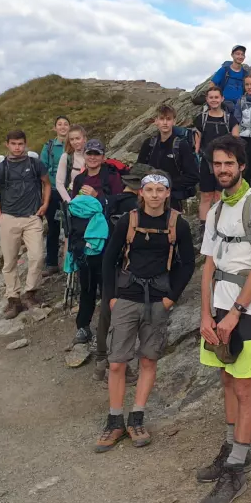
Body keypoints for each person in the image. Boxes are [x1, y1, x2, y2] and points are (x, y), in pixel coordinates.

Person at [197, 135, 251, 503]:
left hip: (249, 309)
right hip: (217, 308)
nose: (223, 170)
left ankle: (237, 466)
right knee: (227, 379)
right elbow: (208, 265)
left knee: (245, 387)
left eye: (229, 163)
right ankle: (231, 446)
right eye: (218, 164)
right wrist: (205, 314)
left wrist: (235, 313)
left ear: (242, 165)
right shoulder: (215, 210)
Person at [96, 172, 196, 452]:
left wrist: (170, 299)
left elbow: (188, 263)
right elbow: (109, 258)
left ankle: (136, 417)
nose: (154, 195)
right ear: (141, 193)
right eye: (149, 189)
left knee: (148, 360)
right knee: (116, 362)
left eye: (160, 190)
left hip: (157, 301)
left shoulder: (179, 224)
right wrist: (112, 297)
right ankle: (114, 419)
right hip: (127, 297)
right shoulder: (128, 221)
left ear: (167, 193)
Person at [87, 163, 156, 383]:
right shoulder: (137, 209)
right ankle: (121, 368)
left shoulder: (110, 201)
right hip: (129, 269)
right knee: (125, 318)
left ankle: (100, 362)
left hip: (105, 262)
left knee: (106, 311)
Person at [0, 130, 51, 319]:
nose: (17, 147)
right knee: (9, 262)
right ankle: (13, 299)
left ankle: (30, 293)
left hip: (32, 218)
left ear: (25, 144)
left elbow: (47, 183)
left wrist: (45, 204)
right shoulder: (1, 168)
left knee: (38, 256)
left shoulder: (35, 164)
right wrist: (0, 217)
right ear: (7, 144)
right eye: (14, 144)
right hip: (9, 219)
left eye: (21, 144)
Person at [69, 140, 124, 344]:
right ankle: (83, 327)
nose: (92, 157)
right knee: (87, 285)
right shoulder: (79, 179)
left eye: (96, 154)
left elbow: (119, 200)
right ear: (84, 155)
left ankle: (108, 327)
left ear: (102, 156)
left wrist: (96, 196)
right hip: (83, 239)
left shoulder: (111, 176)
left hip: (106, 239)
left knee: (107, 285)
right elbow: (74, 208)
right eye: (89, 153)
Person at [194, 83, 241, 233]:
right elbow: (197, 142)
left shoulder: (231, 119)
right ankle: (204, 228)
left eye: (216, 97)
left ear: (222, 98)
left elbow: (236, 142)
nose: (214, 100)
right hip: (206, 162)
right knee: (206, 196)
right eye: (211, 97)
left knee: (220, 195)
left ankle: (220, 225)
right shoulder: (200, 119)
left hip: (224, 164)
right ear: (207, 99)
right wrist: (196, 157)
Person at [137, 104, 199, 211]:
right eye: (161, 119)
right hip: (149, 198)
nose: (165, 123)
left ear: (174, 121)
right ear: (156, 121)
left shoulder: (181, 145)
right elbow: (138, 170)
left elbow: (193, 176)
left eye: (168, 119)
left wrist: (167, 185)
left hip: (172, 199)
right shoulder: (149, 144)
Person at [39, 116, 70, 273]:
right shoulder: (49, 146)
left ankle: (70, 262)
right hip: (53, 191)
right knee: (53, 226)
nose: (63, 127)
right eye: (60, 124)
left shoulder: (74, 145)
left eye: (66, 124)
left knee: (71, 227)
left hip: (70, 191)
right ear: (55, 128)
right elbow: (42, 168)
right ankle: (51, 263)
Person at [55, 124, 87, 203]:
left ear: (84, 139)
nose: (75, 142)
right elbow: (59, 183)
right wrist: (69, 202)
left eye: (77, 138)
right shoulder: (66, 157)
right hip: (73, 198)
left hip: (91, 198)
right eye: (72, 139)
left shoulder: (92, 156)